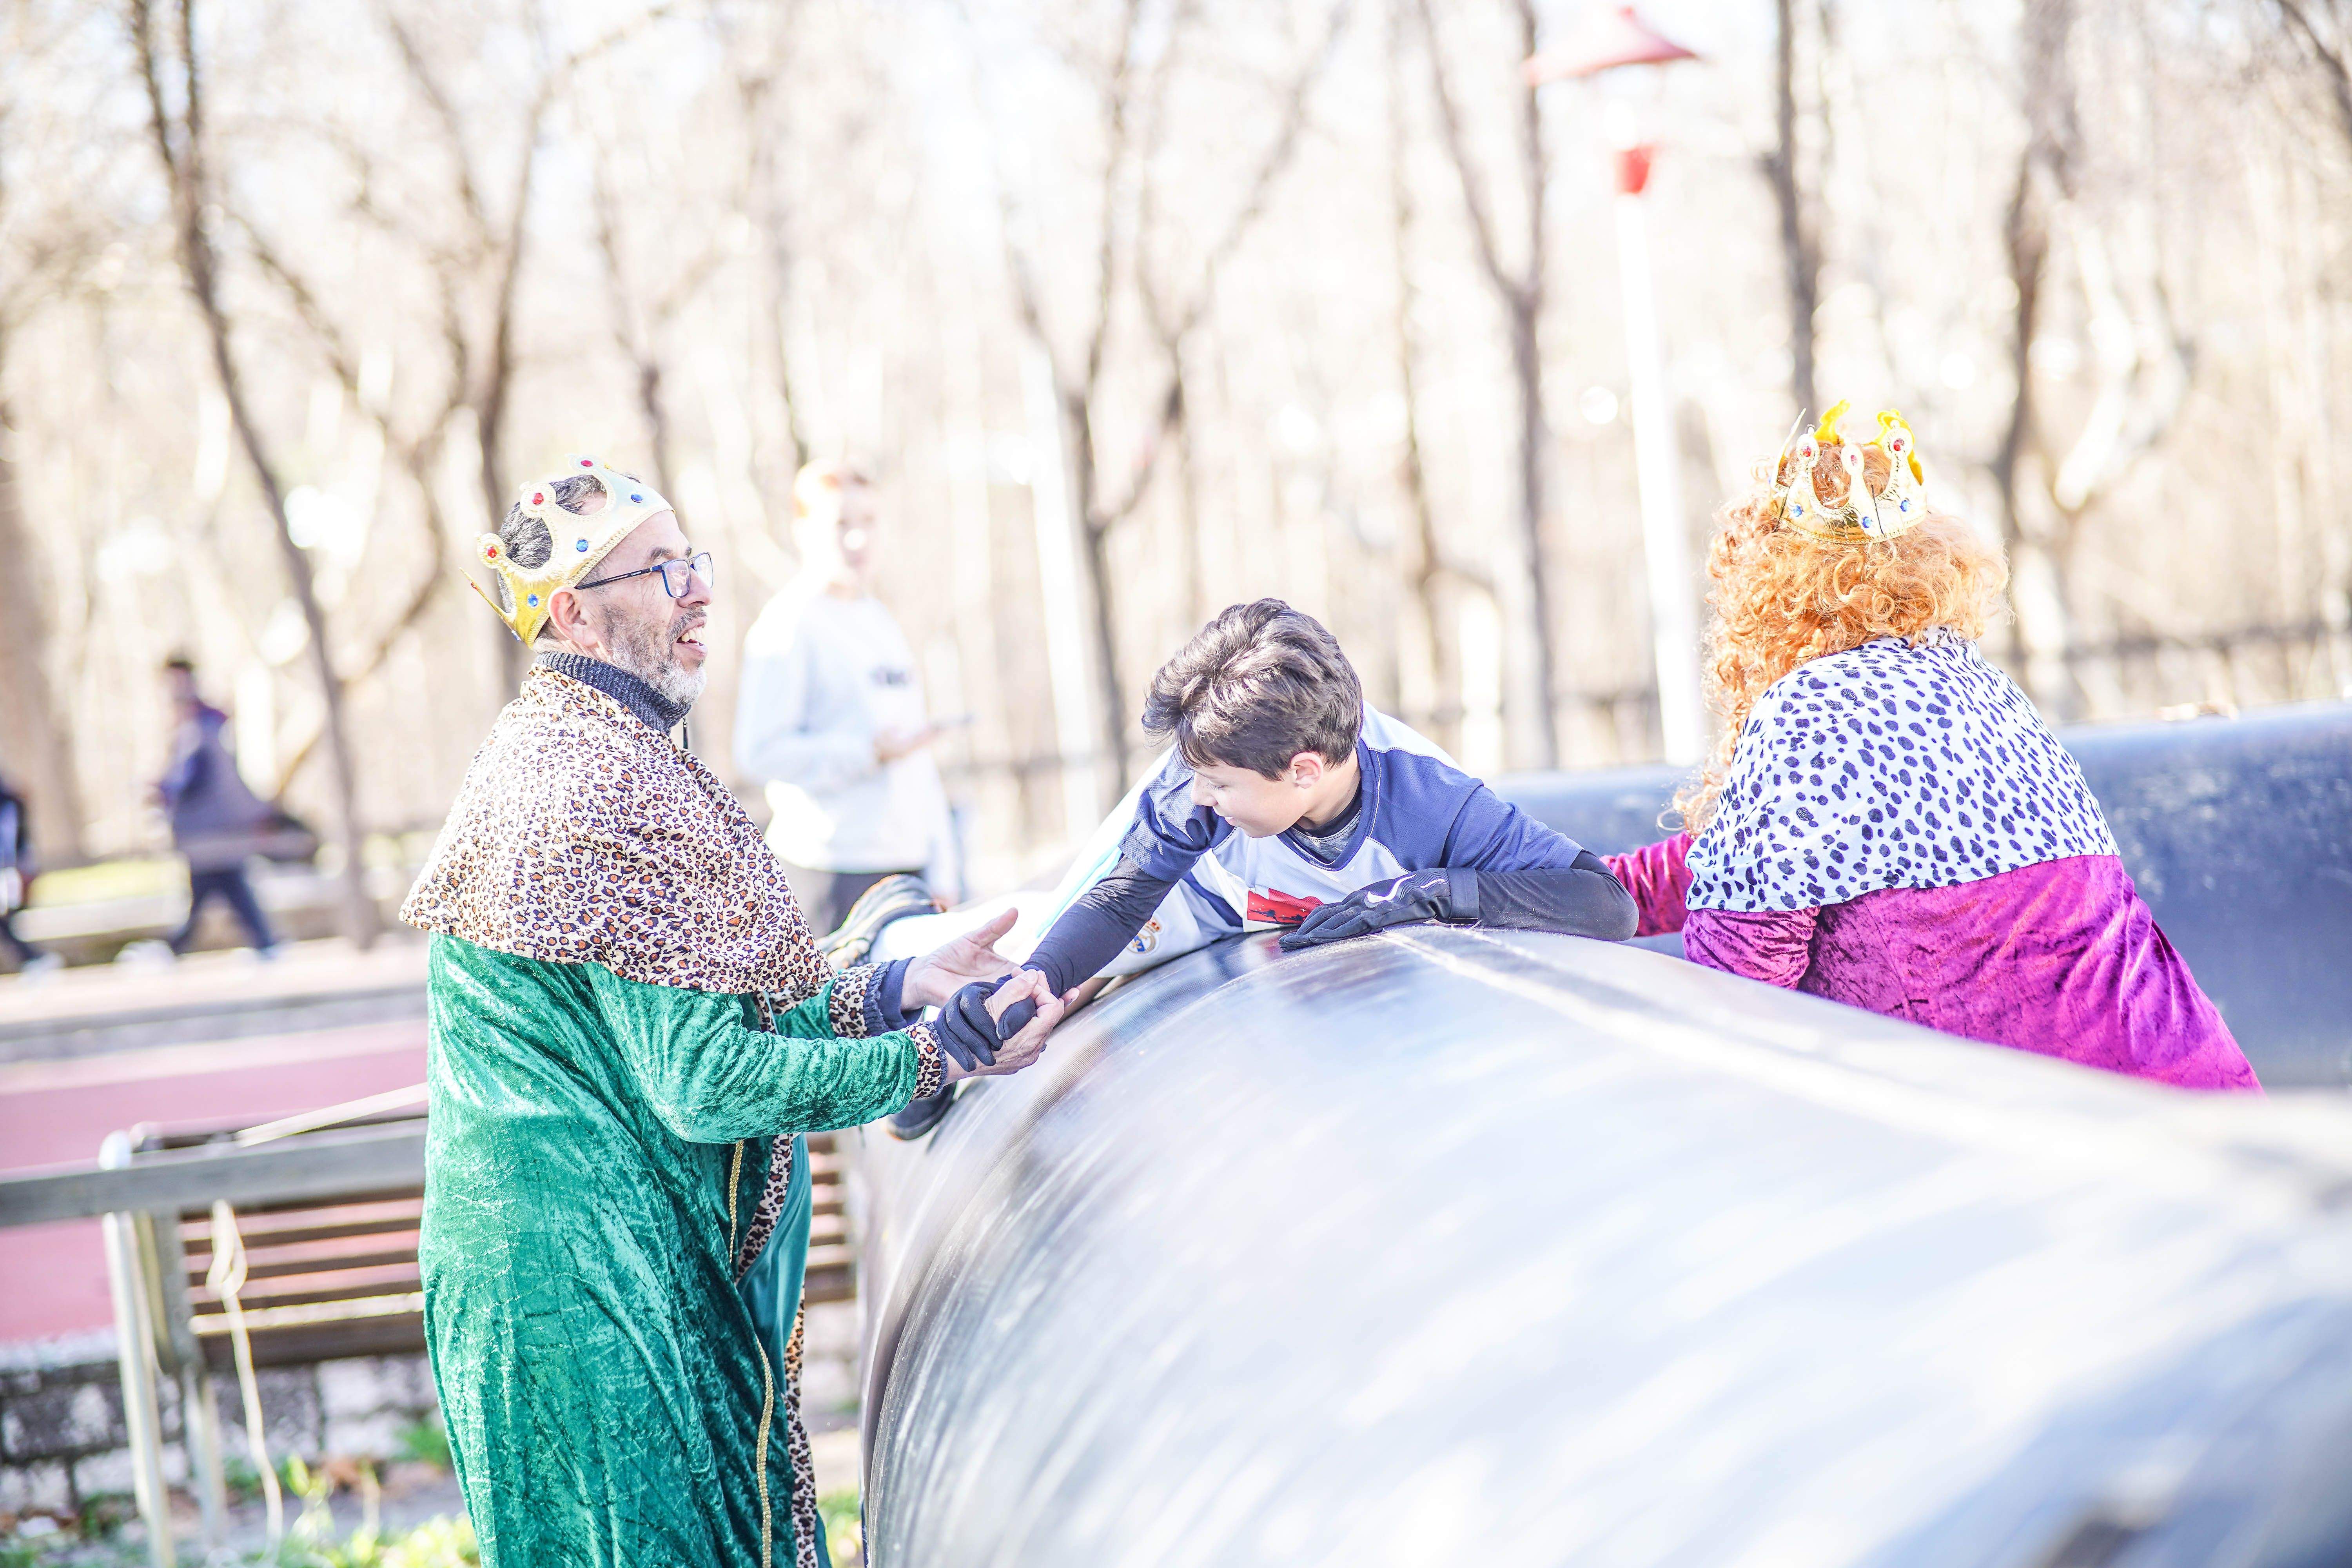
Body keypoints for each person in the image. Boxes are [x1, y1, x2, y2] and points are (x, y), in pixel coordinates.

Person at [403, 455, 1072, 1568]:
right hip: (592, 1302)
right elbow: (706, 1082)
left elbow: (701, 1025)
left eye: (693, 561)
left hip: (564, 1282)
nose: (701, 590)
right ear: (573, 613)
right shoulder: (598, 782)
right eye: (663, 571)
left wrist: (891, 989)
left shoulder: (577, 747)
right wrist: (935, 1055)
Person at [1602, 403, 2258, 1092]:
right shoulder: (1975, 684)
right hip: (2197, 1089)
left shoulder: (1810, 708)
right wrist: (1600, 887)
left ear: (1766, 593)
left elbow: (1739, 975)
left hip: (2055, 1129)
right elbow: (1776, 856)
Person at [891, 599, 1639, 1136]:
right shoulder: (1196, 784)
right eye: (1196, 775)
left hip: (1273, 904)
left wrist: (1434, 894)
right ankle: (894, 931)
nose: (1200, 795)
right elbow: (1120, 900)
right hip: (1197, 897)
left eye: (1219, 783)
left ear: (1304, 770)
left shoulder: (1429, 800)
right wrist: (1040, 977)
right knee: (1035, 982)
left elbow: (1606, 904)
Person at [735, 461, 959, 930]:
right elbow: (758, 752)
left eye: (869, 521)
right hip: (831, 875)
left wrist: (942, 866)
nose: (858, 539)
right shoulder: (789, 624)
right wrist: (867, 752)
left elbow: (916, 755)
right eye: (840, 524)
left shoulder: (880, 620)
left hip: (908, 870)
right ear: (802, 530)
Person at [155, 657, 279, 957]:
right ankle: (265, 943)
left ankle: (264, 943)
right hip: (206, 829)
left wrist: (164, 791)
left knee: (220, 884)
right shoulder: (193, 727)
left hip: (210, 827)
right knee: (223, 885)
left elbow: (194, 780)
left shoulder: (202, 729)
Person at [0, 771, 58, 975]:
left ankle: (34, 958)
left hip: (10, 868)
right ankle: (33, 958)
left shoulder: (9, 806)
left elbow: (10, 841)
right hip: (13, 867)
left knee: (7, 918)